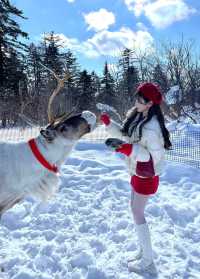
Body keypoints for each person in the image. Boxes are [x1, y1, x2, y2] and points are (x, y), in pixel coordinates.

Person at [100, 82, 172, 273]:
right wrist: (109, 125)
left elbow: (152, 158)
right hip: (136, 172)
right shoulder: (139, 116)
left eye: (140, 99)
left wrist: (128, 149)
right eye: (137, 96)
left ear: (149, 103)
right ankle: (143, 251)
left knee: (138, 214)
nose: (136, 101)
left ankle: (148, 262)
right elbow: (126, 136)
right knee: (134, 211)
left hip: (147, 177)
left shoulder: (152, 128)